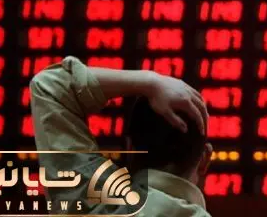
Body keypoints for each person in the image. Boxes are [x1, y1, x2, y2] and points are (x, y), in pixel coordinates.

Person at [30, 56, 212, 216]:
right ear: (205, 158)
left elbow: (49, 86)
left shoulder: (93, 204)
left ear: (129, 148)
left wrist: (150, 82)